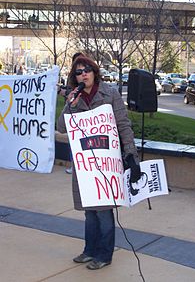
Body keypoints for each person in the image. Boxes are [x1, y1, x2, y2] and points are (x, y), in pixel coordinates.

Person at [57, 55, 141, 270]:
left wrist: (131, 155)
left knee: (103, 212)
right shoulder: (75, 99)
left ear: (94, 72)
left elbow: (123, 124)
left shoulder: (110, 94)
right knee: (89, 211)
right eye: (78, 72)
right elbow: (62, 128)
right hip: (85, 164)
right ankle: (90, 250)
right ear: (74, 78)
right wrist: (70, 106)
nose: (83, 74)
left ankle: (104, 254)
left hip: (106, 163)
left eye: (86, 70)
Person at [57, 52, 84, 174]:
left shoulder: (82, 77)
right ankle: (74, 165)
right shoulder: (73, 77)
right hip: (72, 111)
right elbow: (70, 91)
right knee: (73, 141)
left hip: (81, 113)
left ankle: (77, 165)